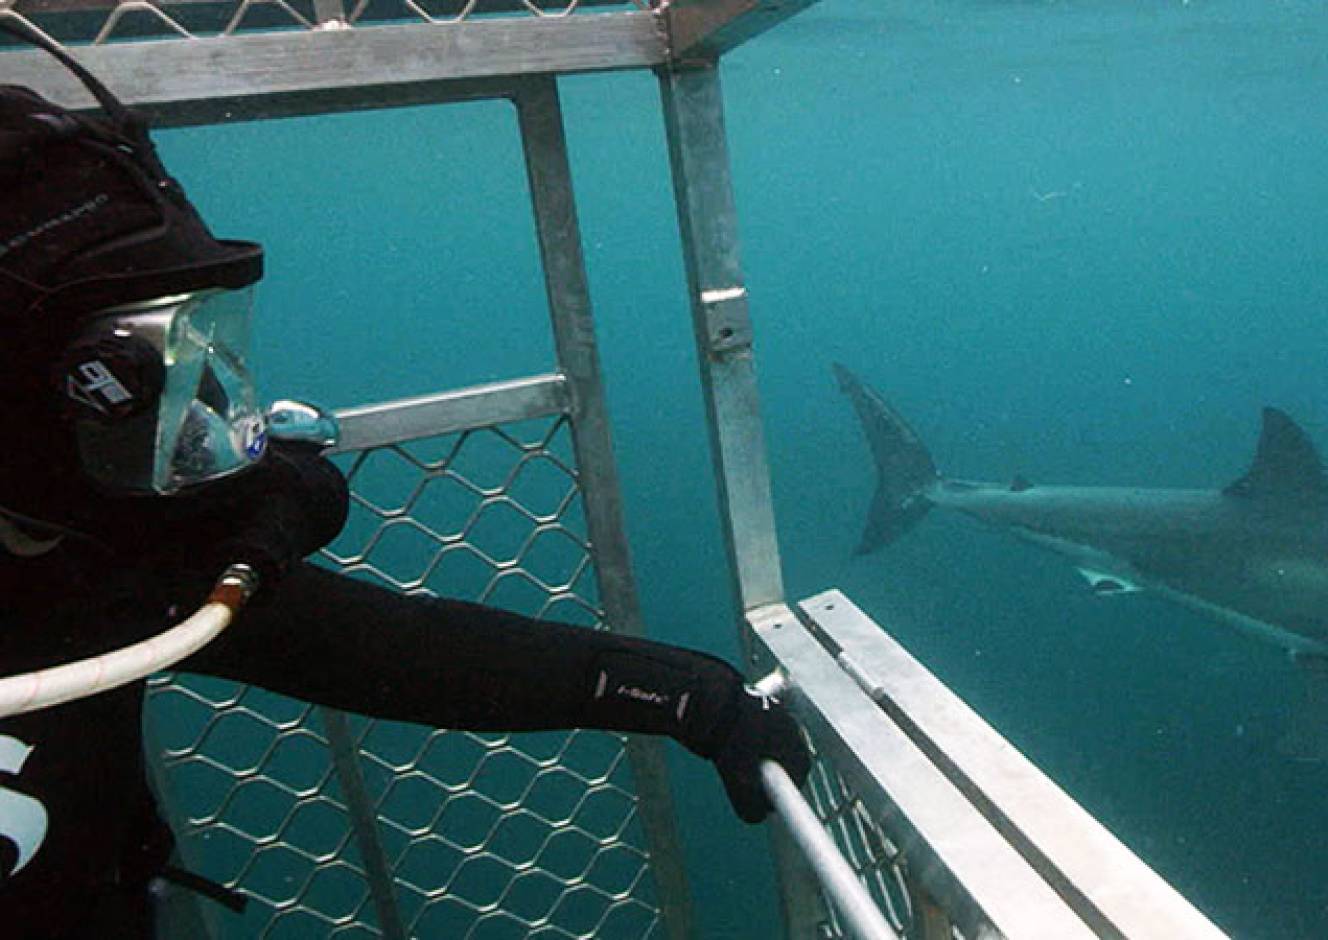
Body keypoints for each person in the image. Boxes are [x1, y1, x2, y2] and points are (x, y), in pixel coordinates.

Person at [0, 23, 810, 938]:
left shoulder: (85, 557)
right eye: (130, 374)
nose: (201, 413)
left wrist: (682, 694)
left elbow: (392, 654)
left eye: (195, 346)